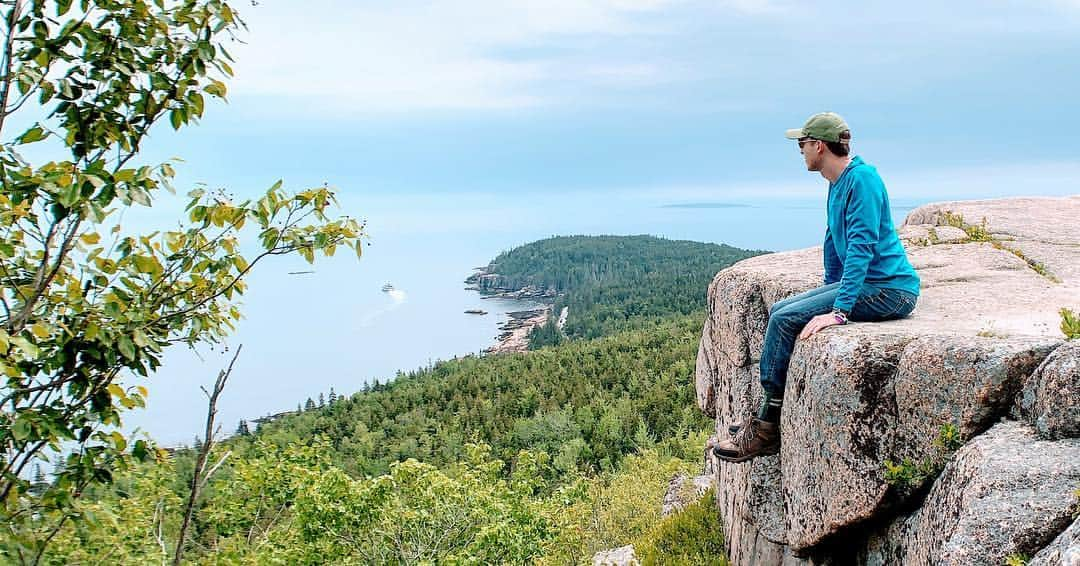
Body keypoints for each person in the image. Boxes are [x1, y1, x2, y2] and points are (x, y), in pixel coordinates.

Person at [711, 112, 921, 463]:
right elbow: (832, 239)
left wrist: (838, 310)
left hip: (890, 289)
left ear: (819, 146)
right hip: (869, 284)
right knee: (781, 310)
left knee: (783, 319)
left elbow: (862, 245)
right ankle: (766, 414)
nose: (800, 150)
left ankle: (766, 427)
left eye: (803, 143)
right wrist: (828, 290)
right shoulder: (838, 182)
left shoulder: (863, 180)